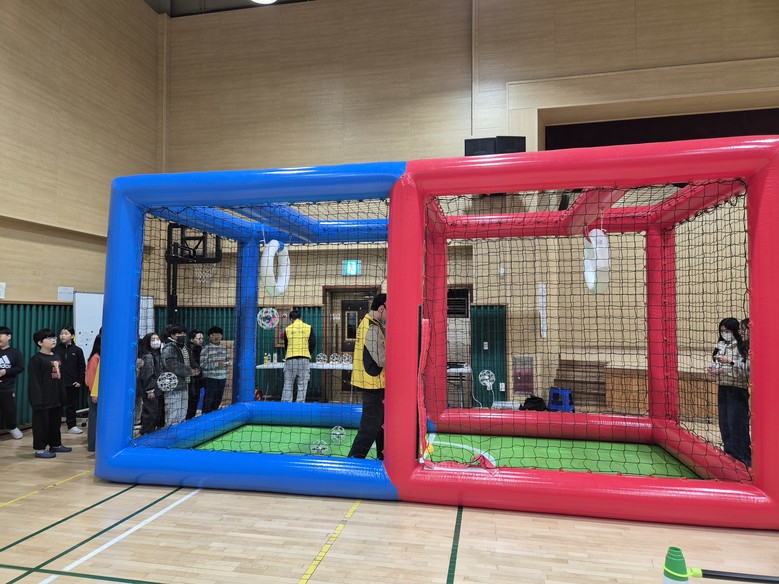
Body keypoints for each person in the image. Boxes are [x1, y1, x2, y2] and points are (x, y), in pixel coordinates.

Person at [348, 294, 387, 459]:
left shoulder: (369, 324)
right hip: (373, 384)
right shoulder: (372, 327)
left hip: (373, 383)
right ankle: (353, 463)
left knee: (381, 427)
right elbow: (381, 359)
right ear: (381, 308)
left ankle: (383, 458)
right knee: (369, 429)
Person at [709, 317, 751, 467]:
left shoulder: (743, 347)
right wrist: (717, 370)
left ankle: (744, 459)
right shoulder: (721, 345)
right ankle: (730, 457)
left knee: (736, 424)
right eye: (722, 331)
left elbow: (746, 371)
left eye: (727, 331)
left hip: (737, 389)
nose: (724, 333)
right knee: (725, 424)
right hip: (723, 386)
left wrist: (730, 362)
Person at [28, 329, 72, 458]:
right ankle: (40, 449)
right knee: (41, 425)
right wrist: (37, 401)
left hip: (56, 398)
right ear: (40, 342)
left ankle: (55, 444)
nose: (53, 340)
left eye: (53, 337)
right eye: (49, 338)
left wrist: (63, 395)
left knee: (55, 423)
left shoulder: (57, 356)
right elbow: (34, 382)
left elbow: (60, 378)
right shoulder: (36, 359)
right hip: (43, 400)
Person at [160, 324, 199, 427]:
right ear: (173, 335)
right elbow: (172, 365)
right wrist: (190, 371)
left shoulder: (184, 347)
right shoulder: (169, 348)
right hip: (173, 386)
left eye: (184, 333)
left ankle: (180, 434)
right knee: (173, 414)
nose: (183, 335)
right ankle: (170, 434)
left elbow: (190, 360)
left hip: (185, 384)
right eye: (179, 333)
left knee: (182, 413)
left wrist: (196, 368)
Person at [54, 326, 86, 435]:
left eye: (66, 333)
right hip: (58, 383)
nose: (62, 336)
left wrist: (79, 381)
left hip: (72, 384)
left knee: (71, 406)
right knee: (57, 406)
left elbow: (81, 367)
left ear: (72, 336)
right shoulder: (55, 349)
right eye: (61, 333)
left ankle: (71, 426)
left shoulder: (77, 350)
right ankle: (54, 426)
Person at [281, 310, 316, 403]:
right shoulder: (308, 327)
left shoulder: (288, 329)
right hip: (304, 359)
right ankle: (300, 406)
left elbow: (286, 345)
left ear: (291, 319)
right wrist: (307, 353)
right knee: (302, 384)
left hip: (290, 359)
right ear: (300, 318)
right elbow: (313, 343)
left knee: (288, 384)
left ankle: (286, 406)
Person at [0, 326, 25, 440]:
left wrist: (5, 371)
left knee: (9, 409)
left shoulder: (15, 352)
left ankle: (12, 427)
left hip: (7, 387)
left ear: (8, 336)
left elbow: (20, 368)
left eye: (0, 335)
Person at [199, 326, 230, 414]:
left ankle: (214, 418)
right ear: (209, 337)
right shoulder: (206, 349)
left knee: (217, 401)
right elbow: (202, 365)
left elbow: (227, 361)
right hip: (210, 379)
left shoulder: (224, 348)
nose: (216, 337)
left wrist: (227, 365)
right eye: (213, 335)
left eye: (218, 334)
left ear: (221, 336)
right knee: (209, 401)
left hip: (222, 378)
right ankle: (205, 418)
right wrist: (217, 364)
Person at [138, 332, 163, 435]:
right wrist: (150, 390)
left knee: (156, 413)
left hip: (158, 389)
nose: (156, 341)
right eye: (152, 340)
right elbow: (147, 374)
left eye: (157, 339)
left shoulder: (157, 354)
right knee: (150, 414)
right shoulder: (149, 356)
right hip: (151, 390)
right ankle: (145, 434)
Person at [85, 333, 101, 452]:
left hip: (100, 394)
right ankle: (92, 445)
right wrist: (94, 393)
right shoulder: (95, 358)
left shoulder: (101, 357)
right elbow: (91, 378)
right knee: (94, 420)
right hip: (95, 394)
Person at [186, 329, 204, 420]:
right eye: (199, 338)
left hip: (198, 379)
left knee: (195, 399)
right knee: (191, 400)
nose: (201, 340)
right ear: (192, 339)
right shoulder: (187, 350)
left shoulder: (202, 350)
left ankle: (191, 418)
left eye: (202, 338)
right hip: (190, 379)